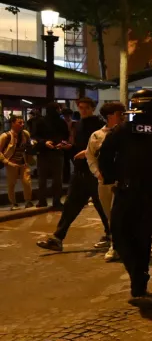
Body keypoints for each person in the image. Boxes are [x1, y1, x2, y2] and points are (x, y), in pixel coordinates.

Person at [99, 89, 152, 298]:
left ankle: (137, 276)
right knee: (143, 238)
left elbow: (105, 154)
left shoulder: (122, 130)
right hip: (151, 194)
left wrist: (111, 177)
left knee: (120, 234)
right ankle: (139, 276)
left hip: (126, 191)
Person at [36, 98, 109, 252]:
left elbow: (102, 147)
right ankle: (58, 237)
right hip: (80, 171)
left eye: (86, 108)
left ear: (93, 108)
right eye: (81, 108)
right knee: (71, 205)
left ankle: (111, 236)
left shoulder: (99, 124)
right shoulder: (80, 124)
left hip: (94, 172)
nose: (83, 111)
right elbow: (79, 146)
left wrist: (87, 153)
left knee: (102, 206)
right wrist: (70, 147)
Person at [86, 102, 125, 261]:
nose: (123, 116)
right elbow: (90, 156)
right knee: (110, 215)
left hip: (122, 182)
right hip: (105, 181)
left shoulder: (127, 133)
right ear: (110, 116)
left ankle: (117, 246)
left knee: (119, 215)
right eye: (119, 113)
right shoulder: (97, 135)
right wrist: (97, 173)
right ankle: (115, 244)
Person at [34, 102, 71, 209]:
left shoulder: (57, 122)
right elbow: (35, 136)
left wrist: (58, 143)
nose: (59, 111)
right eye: (58, 109)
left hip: (50, 152)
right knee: (50, 179)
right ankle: (51, 201)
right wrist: (46, 142)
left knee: (50, 179)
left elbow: (65, 136)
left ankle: (46, 201)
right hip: (50, 152)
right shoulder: (44, 121)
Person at [1, 117, 34, 210]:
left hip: (23, 162)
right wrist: (6, 162)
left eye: (23, 122)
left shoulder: (25, 134)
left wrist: (32, 144)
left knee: (27, 181)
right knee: (11, 184)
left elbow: (29, 144)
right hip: (11, 163)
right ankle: (13, 203)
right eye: (19, 123)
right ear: (12, 123)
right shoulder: (6, 136)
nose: (22, 124)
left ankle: (28, 201)